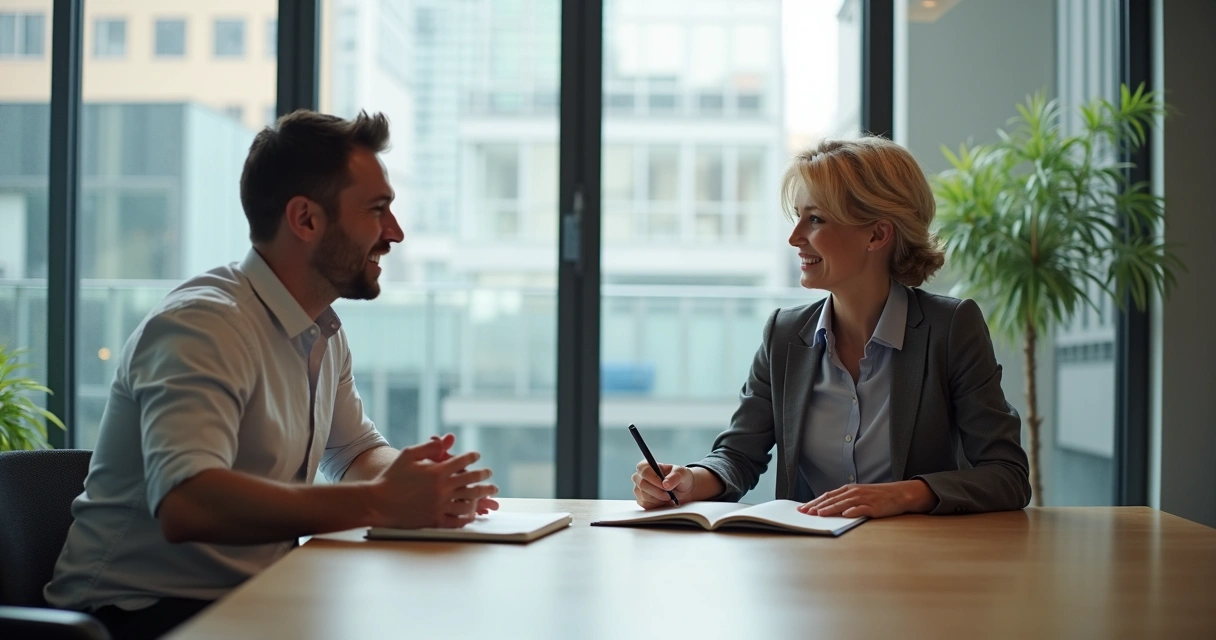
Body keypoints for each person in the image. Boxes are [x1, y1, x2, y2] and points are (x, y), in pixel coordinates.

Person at [45, 110, 499, 640]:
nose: (394, 233)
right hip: (137, 617)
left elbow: (352, 452)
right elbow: (187, 503)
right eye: (377, 210)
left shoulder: (321, 331)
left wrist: (419, 482)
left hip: (252, 600)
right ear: (305, 219)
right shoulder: (202, 325)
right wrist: (381, 501)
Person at [631, 137, 1031, 518]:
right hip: (811, 561)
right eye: (797, 218)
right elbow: (738, 455)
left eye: (815, 219)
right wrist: (688, 480)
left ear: (877, 234)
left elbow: (1007, 475)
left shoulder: (950, 328)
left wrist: (903, 494)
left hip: (917, 561)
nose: (794, 237)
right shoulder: (784, 334)